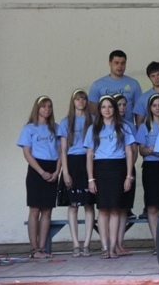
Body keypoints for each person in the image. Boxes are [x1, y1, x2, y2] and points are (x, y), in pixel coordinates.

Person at [84, 95, 135, 259]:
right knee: (103, 209)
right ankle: (104, 247)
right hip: (100, 169)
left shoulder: (124, 127)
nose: (107, 110)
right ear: (99, 110)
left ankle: (113, 247)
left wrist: (128, 176)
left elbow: (129, 152)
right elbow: (89, 155)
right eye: (104, 107)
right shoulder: (93, 128)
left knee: (115, 208)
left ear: (115, 109)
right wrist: (91, 179)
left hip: (118, 169)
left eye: (110, 106)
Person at [17, 96, 60, 259]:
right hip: (37, 169)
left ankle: (42, 248)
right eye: (43, 106)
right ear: (37, 108)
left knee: (47, 210)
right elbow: (27, 153)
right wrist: (41, 172)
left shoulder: (55, 128)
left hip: (52, 168)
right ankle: (34, 249)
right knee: (35, 209)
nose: (47, 109)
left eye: (49, 106)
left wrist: (57, 171)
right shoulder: (29, 128)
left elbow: (61, 152)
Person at [57, 89, 95, 258]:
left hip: (88, 162)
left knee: (89, 204)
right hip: (72, 163)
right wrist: (65, 172)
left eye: (83, 98)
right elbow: (63, 150)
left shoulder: (92, 120)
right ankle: (75, 245)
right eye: (77, 99)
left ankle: (87, 244)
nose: (81, 101)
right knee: (73, 205)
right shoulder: (66, 122)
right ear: (73, 102)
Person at [135, 93, 159, 247]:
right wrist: (150, 149)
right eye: (154, 105)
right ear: (150, 108)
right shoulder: (144, 126)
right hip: (151, 167)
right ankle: (157, 242)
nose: (158, 108)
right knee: (152, 206)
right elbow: (141, 151)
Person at [112, 93, 137, 256]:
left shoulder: (129, 125)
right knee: (112, 208)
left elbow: (133, 151)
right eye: (119, 104)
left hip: (127, 169)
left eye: (124, 105)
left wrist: (129, 170)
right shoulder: (105, 125)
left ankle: (119, 244)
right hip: (113, 169)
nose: (122, 108)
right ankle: (111, 244)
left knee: (123, 209)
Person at [88, 50, 142, 122]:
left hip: (128, 126)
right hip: (105, 127)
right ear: (110, 63)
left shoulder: (134, 84)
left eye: (123, 63)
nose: (120, 66)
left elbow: (139, 110)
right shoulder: (97, 85)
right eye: (116, 63)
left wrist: (138, 127)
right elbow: (93, 111)